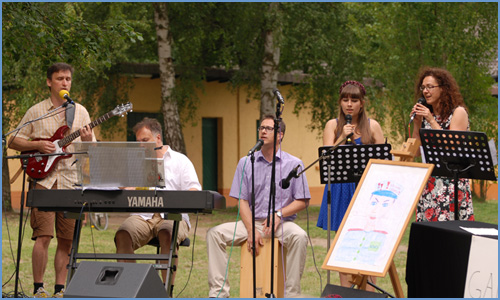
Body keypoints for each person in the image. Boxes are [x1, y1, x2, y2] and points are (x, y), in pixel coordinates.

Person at [8, 62, 95, 298]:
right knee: (43, 236)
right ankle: (39, 289)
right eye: (59, 79)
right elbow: (12, 141)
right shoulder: (36, 111)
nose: (65, 83)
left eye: (68, 79)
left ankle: (59, 290)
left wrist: (87, 140)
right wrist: (37, 144)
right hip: (43, 180)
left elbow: (91, 149)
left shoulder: (81, 112)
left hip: (70, 181)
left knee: (66, 239)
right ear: (49, 82)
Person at [206, 115, 310, 298]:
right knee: (215, 234)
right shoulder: (246, 162)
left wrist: (279, 213)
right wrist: (250, 229)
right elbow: (241, 200)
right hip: (253, 222)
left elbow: (302, 200)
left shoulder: (294, 164)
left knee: (300, 236)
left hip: (281, 224)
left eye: (269, 128)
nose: (263, 131)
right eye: (261, 127)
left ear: (280, 135)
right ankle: (219, 294)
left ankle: (292, 295)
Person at [114, 117, 201, 290]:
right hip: (143, 215)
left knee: (167, 232)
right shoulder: (135, 163)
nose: (141, 146)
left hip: (173, 216)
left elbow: (194, 190)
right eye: (138, 142)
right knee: (123, 233)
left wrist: (176, 201)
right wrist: (126, 188)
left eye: (145, 141)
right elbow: (123, 188)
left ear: (158, 138)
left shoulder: (180, 160)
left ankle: (166, 289)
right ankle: (132, 288)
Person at [316, 80, 384, 288]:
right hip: (340, 188)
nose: (349, 104)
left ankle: (369, 290)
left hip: (366, 190)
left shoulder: (372, 126)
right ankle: (346, 291)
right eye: (345, 99)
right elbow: (324, 159)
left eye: (354, 100)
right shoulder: (332, 125)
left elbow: (384, 161)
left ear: (362, 103)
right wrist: (341, 138)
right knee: (343, 244)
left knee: (368, 242)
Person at [410, 67, 473, 222]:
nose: (425, 91)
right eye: (423, 87)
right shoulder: (426, 115)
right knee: (430, 236)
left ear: (444, 89)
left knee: (451, 236)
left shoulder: (458, 113)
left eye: (430, 87)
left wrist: (431, 120)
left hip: (452, 182)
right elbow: (416, 152)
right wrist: (417, 124)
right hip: (430, 182)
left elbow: (452, 146)